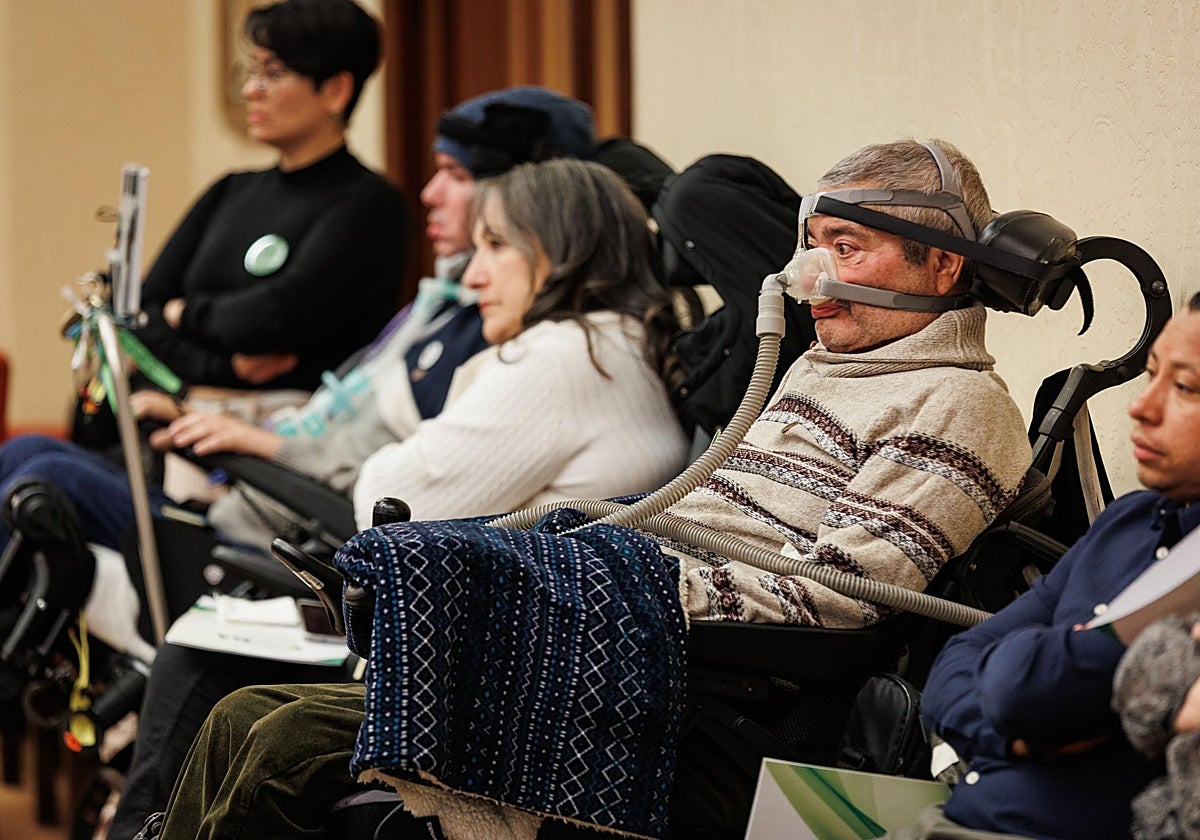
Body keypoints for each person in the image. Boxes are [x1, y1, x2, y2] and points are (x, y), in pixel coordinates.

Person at [148, 139, 1033, 839]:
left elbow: (837, 599)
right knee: (243, 711)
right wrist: (561, 555)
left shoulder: (959, 405)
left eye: (849, 248)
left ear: (944, 266)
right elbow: (690, 516)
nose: (808, 278)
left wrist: (591, 587)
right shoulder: (821, 368)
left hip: (698, 693)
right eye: (810, 248)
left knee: (280, 743)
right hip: (639, 639)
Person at [104, 87, 612, 839]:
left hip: (421, 612)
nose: (434, 198)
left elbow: (393, 490)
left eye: (494, 240)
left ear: (557, 239)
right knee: (49, 482)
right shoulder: (469, 320)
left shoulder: (559, 355)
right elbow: (157, 316)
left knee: (186, 648)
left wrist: (254, 427)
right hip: (357, 557)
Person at [901, 293, 1200, 840]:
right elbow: (957, 662)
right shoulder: (1129, 521)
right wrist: (1019, 737)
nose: (1142, 406)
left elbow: (1021, 685)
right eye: (1152, 374)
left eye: (1185, 388)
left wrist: (1025, 689)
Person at [126, 0, 407, 394]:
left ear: (336, 90)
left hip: (287, 436)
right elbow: (137, 312)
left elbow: (275, 318)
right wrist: (223, 368)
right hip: (175, 412)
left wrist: (184, 312)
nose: (250, 91)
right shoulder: (230, 190)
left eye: (273, 74)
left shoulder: (368, 204)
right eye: (252, 72)